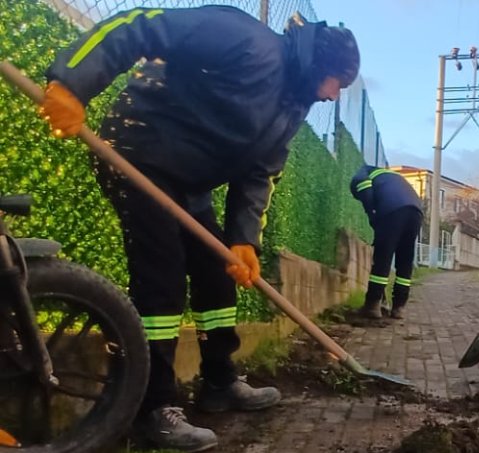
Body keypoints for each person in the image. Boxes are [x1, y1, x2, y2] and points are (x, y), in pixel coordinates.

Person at [40, 6, 359, 451]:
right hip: (139, 149)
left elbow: (261, 172)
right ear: (321, 66)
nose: (333, 96)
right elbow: (138, 25)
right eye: (338, 84)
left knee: (216, 268)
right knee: (162, 277)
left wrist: (244, 239)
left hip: (189, 180)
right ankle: (151, 407)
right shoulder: (244, 38)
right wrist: (72, 82)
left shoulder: (291, 105)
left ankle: (219, 382)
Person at [350, 165, 423, 320]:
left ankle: (372, 305)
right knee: (405, 261)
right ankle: (399, 307)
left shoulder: (361, 174)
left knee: (382, 258)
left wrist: (372, 214)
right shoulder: (390, 177)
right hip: (415, 213)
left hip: (392, 210)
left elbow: (364, 188)